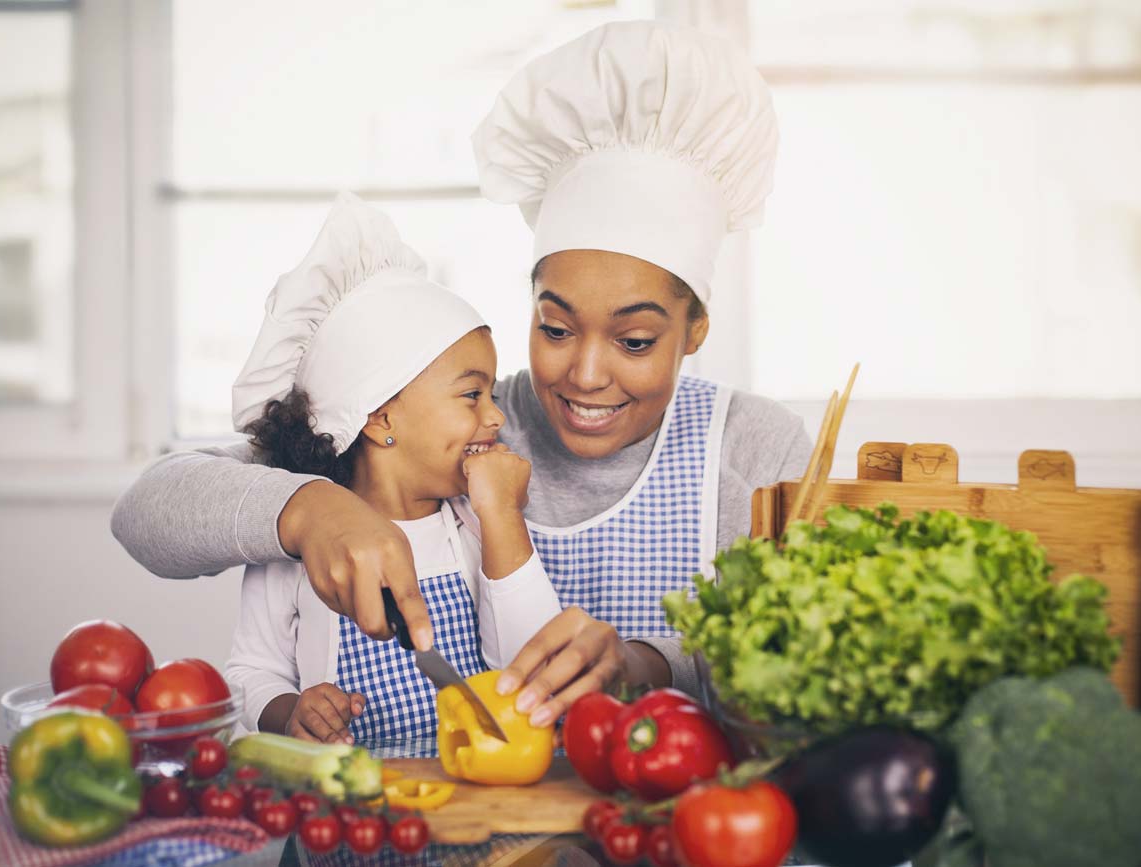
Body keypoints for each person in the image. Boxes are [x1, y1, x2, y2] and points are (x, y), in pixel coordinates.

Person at [112, 20, 810, 730]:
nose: (587, 374)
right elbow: (148, 512)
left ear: (694, 329)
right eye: (555, 328)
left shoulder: (752, 447)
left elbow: (793, 684)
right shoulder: (452, 434)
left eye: (633, 339)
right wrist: (310, 509)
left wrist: (644, 665)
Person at [223, 193, 561, 742]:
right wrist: (292, 712)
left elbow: (530, 670)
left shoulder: (472, 524)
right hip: (349, 806)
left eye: (492, 393)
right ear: (380, 419)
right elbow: (251, 671)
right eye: (471, 394)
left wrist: (502, 514)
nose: (496, 415)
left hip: (471, 794)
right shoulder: (300, 540)